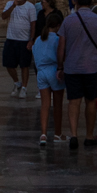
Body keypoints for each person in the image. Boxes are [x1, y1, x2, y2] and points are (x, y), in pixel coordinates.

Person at [56, 0, 97, 148]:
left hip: (72, 67)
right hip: (92, 67)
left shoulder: (68, 21)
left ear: (76, 2)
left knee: (73, 101)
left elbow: (61, 46)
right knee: (91, 101)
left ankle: (73, 135)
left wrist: (60, 66)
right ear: (91, 2)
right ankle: (89, 135)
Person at [31, 9, 64, 146]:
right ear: (58, 26)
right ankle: (57, 134)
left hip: (41, 72)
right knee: (57, 105)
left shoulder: (38, 39)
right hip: (54, 71)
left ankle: (43, 134)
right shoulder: (57, 39)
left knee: (45, 105)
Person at [1, 0, 38, 96]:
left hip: (24, 40)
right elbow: (3, 16)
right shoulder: (10, 4)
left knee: (24, 65)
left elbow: (33, 24)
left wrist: (31, 40)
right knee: (8, 64)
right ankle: (17, 82)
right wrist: (13, 6)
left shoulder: (30, 7)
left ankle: (24, 88)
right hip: (11, 39)